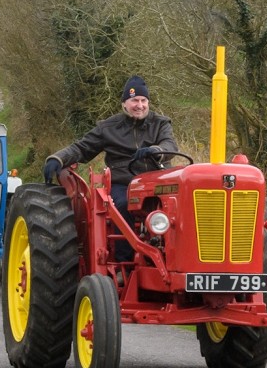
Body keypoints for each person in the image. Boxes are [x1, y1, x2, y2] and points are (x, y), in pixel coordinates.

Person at [42, 75, 176, 259]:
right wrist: (57, 158)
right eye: (134, 100)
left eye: (143, 100)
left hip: (157, 182)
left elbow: (169, 145)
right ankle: (125, 261)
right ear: (124, 104)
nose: (139, 105)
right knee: (123, 204)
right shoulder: (108, 128)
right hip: (125, 182)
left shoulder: (160, 124)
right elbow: (82, 148)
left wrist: (155, 150)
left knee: (179, 207)